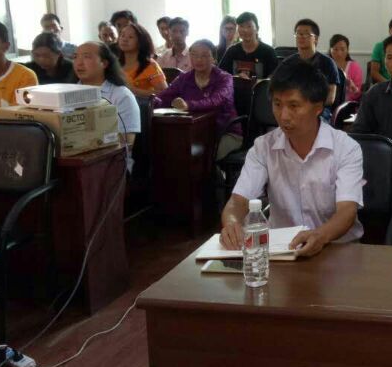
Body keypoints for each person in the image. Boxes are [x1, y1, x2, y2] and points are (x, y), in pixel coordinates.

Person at [219, 61, 364, 257]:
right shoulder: (263, 147)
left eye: (294, 106)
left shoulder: (346, 148)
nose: (284, 116)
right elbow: (238, 201)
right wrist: (232, 223)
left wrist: (320, 236)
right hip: (282, 251)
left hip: (336, 250)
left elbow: (347, 212)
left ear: (318, 108)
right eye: (277, 104)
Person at [154, 39, 240, 158]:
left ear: (214, 58)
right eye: (194, 55)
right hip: (194, 132)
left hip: (224, 132)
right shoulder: (184, 78)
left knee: (205, 156)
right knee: (173, 150)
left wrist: (188, 105)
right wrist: (149, 103)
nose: (199, 59)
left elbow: (216, 100)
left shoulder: (225, 78)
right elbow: (164, 96)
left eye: (204, 55)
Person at [74, 41, 140, 150]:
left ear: (104, 63)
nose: (79, 63)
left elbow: (127, 142)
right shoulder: (67, 93)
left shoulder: (121, 95)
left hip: (110, 157)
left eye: (87, 57)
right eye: (75, 57)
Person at [218, 11, 278, 80]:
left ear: (257, 29)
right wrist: (237, 78)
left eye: (249, 26)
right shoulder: (232, 51)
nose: (245, 30)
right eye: (241, 26)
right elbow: (220, 74)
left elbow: (274, 78)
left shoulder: (268, 52)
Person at [116, 22, 167, 97]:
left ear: (141, 42)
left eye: (130, 37)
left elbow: (164, 94)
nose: (124, 39)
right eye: (122, 35)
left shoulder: (150, 66)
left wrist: (133, 90)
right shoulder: (115, 64)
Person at [329, 33, 363, 103]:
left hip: (347, 105)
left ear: (347, 50)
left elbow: (358, 95)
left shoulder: (354, 67)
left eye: (342, 49)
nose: (339, 53)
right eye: (335, 49)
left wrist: (353, 87)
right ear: (330, 49)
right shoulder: (325, 64)